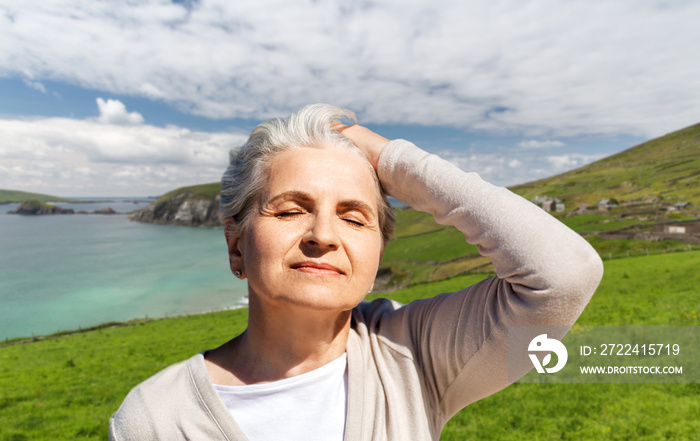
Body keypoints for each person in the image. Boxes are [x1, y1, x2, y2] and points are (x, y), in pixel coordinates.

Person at [109, 104, 603, 440]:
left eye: (353, 217)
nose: (324, 234)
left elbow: (563, 274)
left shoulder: (413, 357)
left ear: (378, 253)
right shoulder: (155, 418)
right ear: (236, 245)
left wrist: (389, 157)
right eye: (289, 210)